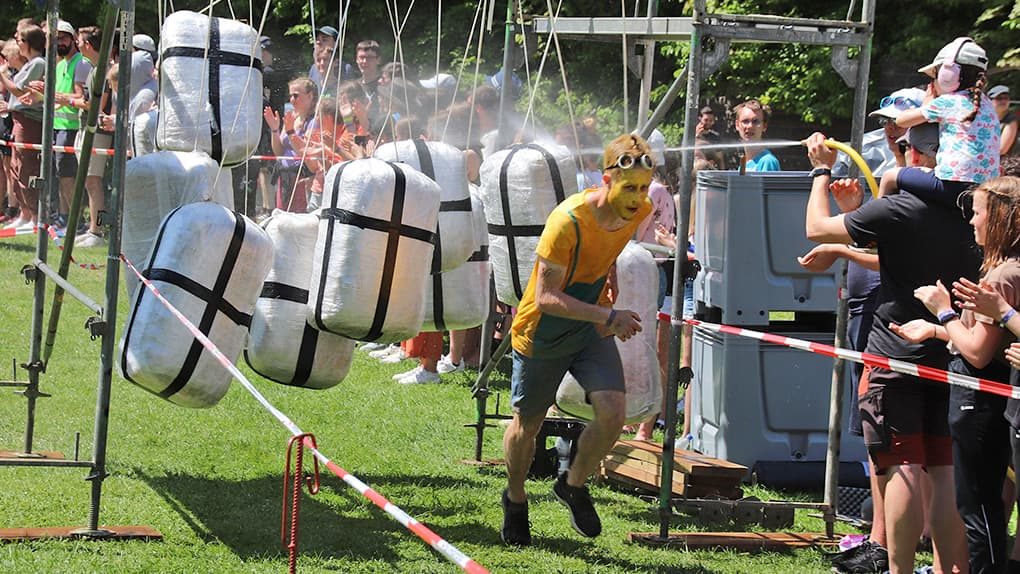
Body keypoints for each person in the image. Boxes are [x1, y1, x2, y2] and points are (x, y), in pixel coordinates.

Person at [802, 131, 975, 574]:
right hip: (951, 351)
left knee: (901, 464)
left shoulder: (901, 207)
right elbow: (886, 252)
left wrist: (821, 169)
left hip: (895, 352)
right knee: (943, 470)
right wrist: (856, 219)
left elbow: (814, 228)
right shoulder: (976, 212)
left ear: (917, 155)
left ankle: (898, 570)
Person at [500, 134, 652, 546]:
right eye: (630, 188)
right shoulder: (566, 221)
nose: (639, 199)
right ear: (605, 180)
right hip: (541, 331)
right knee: (527, 426)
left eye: (644, 188)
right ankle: (515, 499)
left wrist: (611, 293)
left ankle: (573, 484)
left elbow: (611, 251)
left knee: (613, 413)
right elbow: (547, 298)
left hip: (589, 326)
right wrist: (609, 314)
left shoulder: (640, 210)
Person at [888, 175, 1019, 574]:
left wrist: (941, 310)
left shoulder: (1001, 277)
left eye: (978, 213)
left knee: (978, 507)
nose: (972, 222)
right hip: (991, 398)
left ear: (999, 218)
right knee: (983, 504)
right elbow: (989, 339)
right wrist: (937, 330)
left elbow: (978, 353)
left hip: (976, 402)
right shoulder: (1008, 270)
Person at [888, 37, 999, 206]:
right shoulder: (987, 104)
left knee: (890, 177)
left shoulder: (948, 102)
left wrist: (928, 102)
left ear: (948, 75)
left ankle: (880, 222)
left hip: (951, 185)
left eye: (936, 75)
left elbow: (902, 121)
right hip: (985, 186)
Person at [0, 24, 46, 230]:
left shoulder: (37, 63)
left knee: (26, 167)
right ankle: (26, 214)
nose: (17, 44)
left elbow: (19, 91)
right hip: (19, 118)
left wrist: (2, 75)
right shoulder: (29, 64)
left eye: (19, 40)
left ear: (28, 43)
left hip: (29, 120)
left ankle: (35, 217)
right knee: (16, 168)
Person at [733, 98, 780, 172]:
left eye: (755, 122)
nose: (750, 126)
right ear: (737, 125)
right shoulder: (744, 164)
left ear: (764, 126)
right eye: (745, 121)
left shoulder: (767, 161)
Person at [989, 85, 1018, 158]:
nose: (1003, 101)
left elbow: (1002, 150)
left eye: (1006, 98)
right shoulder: (984, 118)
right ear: (989, 101)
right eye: (999, 98)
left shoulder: (1011, 120)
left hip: (1004, 165)